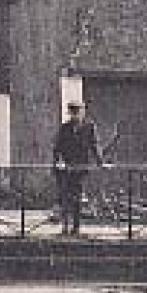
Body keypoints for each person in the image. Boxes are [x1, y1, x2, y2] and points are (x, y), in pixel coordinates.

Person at [52, 101, 103, 235]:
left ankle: (76, 226)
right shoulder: (64, 128)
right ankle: (65, 226)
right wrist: (58, 162)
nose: (75, 116)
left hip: (81, 167)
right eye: (72, 113)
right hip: (67, 168)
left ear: (82, 113)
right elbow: (57, 147)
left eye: (77, 112)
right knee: (64, 197)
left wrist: (100, 162)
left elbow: (94, 145)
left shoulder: (89, 127)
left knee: (77, 197)